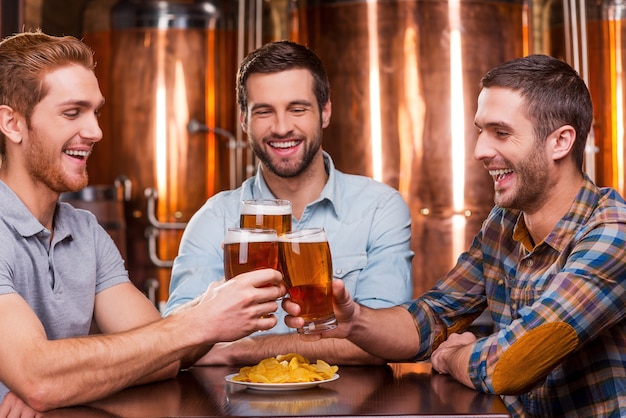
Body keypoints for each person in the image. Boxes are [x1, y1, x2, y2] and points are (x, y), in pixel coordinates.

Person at [285, 54, 626, 417]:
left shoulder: (612, 232)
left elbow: (510, 363)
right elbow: (432, 318)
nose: (480, 151)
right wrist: (355, 322)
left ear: (560, 142)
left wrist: (454, 356)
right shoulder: (503, 223)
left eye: (502, 133)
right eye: (481, 131)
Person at [0, 30, 286, 414]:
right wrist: (198, 321)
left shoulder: (85, 232)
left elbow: (166, 358)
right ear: (12, 124)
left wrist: (66, 381)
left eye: (95, 111)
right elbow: (38, 378)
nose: (95, 132)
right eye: (72, 113)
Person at [164, 40, 414, 365]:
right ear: (244, 120)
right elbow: (176, 345)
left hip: (350, 412)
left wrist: (245, 349)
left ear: (325, 111)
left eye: (297, 109)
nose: (281, 128)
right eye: (264, 111)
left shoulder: (379, 207)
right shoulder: (213, 219)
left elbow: (385, 341)